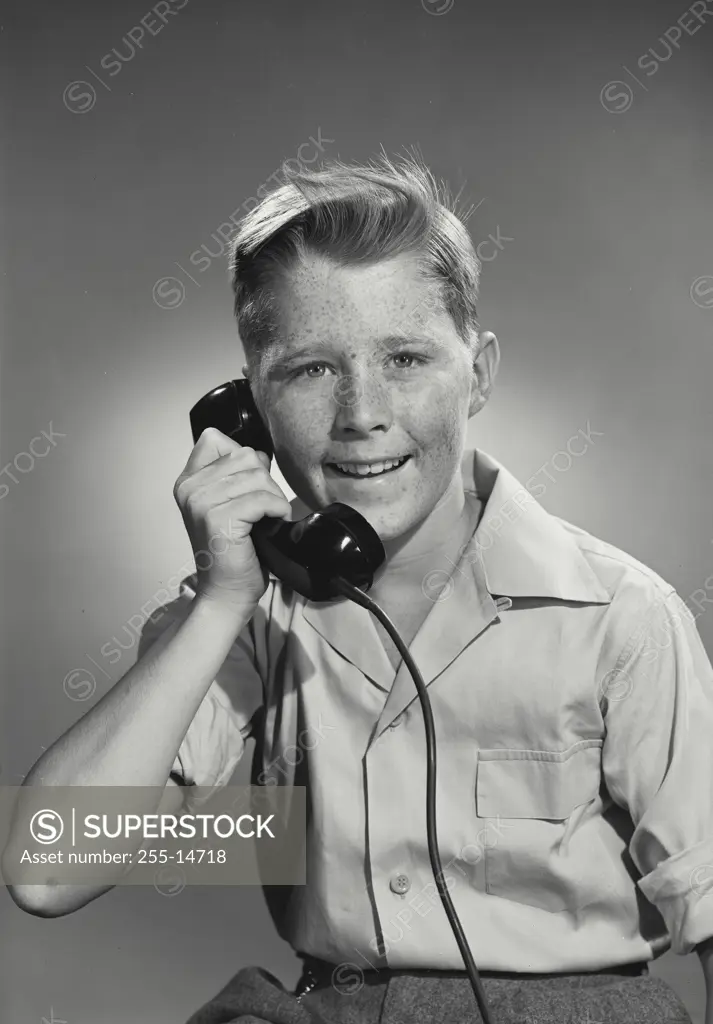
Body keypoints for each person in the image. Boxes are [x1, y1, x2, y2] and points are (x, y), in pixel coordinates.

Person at [5, 154, 713, 1024]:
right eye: (309, 370)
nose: (361, 414)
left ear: (479, 374)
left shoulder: (621, 617)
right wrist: (223, 598)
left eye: (406, 358)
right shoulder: (250, 617)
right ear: (247, 410)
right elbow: (46, 871)